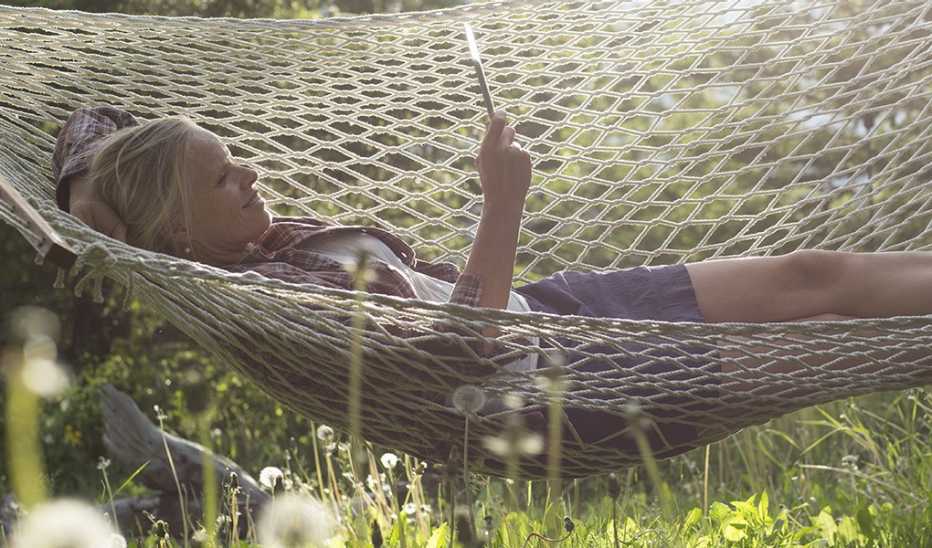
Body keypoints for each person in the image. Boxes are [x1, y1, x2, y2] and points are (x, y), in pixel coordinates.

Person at [53, 106, 932, 457]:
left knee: (810, 273)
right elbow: (456, 354)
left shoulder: (263, 237)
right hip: (554, 394)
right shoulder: (266, 299)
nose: (249, 177)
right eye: (223, 180)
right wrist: (501, 206)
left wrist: (90, 197)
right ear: (175, 229)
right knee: (831, 355)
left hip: (558, 310)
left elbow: (89, 130)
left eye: (237, 161)